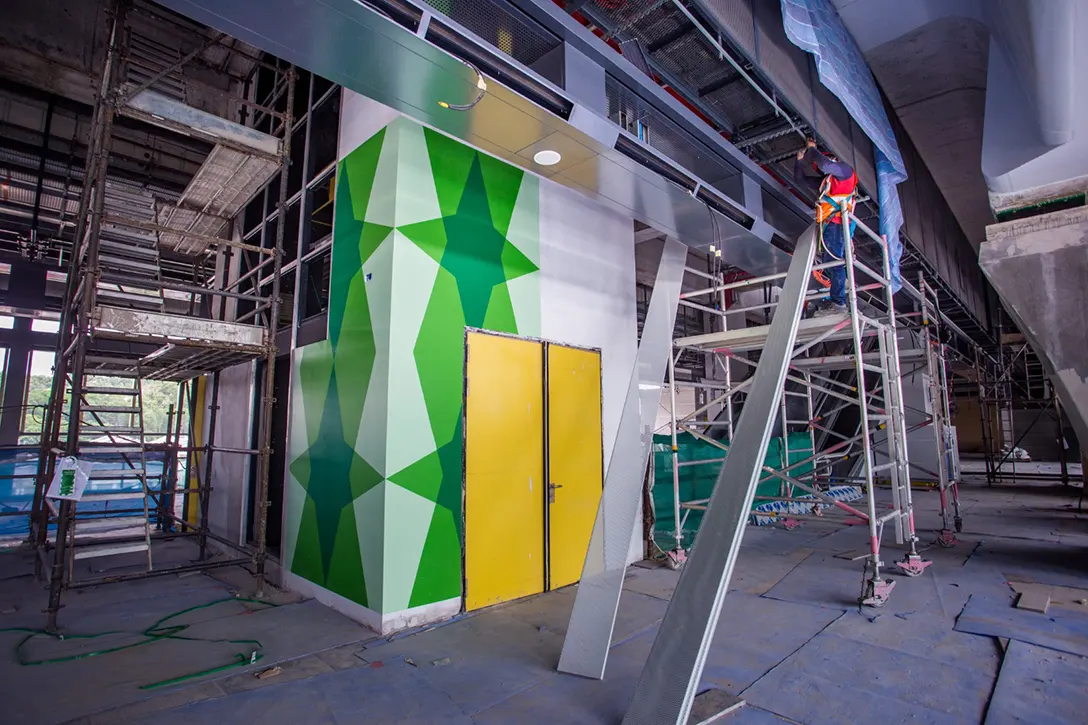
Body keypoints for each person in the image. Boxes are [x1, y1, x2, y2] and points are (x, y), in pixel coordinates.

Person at [794, 138, 858, 316]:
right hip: (829, 226)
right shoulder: (826, 182)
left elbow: (824, 164)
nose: (819, 170)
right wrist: (799, 161)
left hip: (837, 225)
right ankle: (837, 301)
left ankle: (838, 303)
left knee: (835, 263)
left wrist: (812, 149)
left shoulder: (846, 172)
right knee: (831, 263)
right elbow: (800, 179)